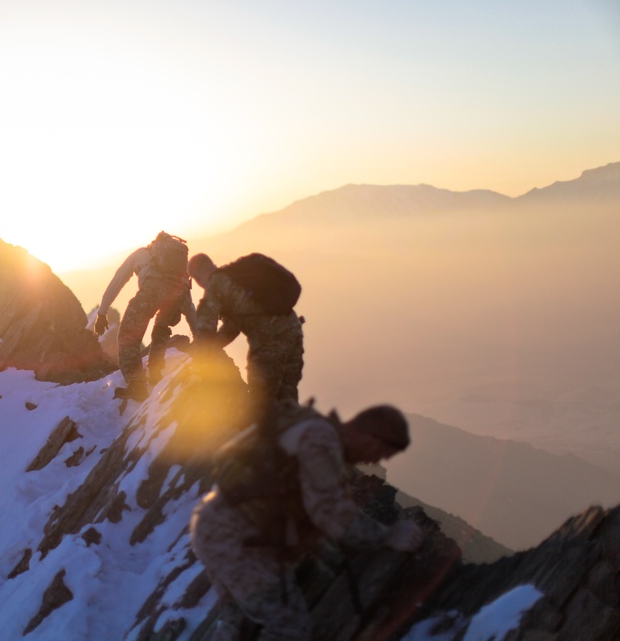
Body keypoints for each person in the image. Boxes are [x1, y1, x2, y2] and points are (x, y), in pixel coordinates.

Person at [190, 403, 426, 641]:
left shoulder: (311, 429)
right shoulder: (320, 440)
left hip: (219, 528)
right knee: (288, 628)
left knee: (238, 623)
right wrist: (389, 535)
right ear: (371, 439)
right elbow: (331, 514)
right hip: (237, 539)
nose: (375, 461)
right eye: (381, 452)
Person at [189, 253, 304, 411]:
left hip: (269, 343)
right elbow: (232, 328)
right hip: (293, 330)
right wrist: (215, 346)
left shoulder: (215, 285)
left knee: (260, 405)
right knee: (288, 399)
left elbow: (205, 327)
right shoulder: (235, 276)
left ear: (197, 278)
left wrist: (198, 358)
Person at [94, 232, 196, 401]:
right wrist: (200, 333)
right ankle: (155, 371)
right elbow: (189, 303)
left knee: (128, 336)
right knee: (162, 327)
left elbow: (117, 281)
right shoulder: (178, 267)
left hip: (153, 291)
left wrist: (102, 313)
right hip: (180, 293)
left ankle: (137, 386)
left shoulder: (142, 254)